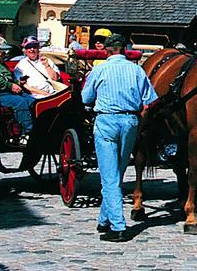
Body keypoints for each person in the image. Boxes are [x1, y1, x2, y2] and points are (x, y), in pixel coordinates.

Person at [81, 33, 157, 242]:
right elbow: (149, 99)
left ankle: (118, 226)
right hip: (130, 121)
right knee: (118, 171)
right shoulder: (136, 70)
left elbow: (85, 98)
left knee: (109, 177)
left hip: (107, 120)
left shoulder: (100, 69)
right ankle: (104, 219)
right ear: (124, 49)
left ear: (106, 50)